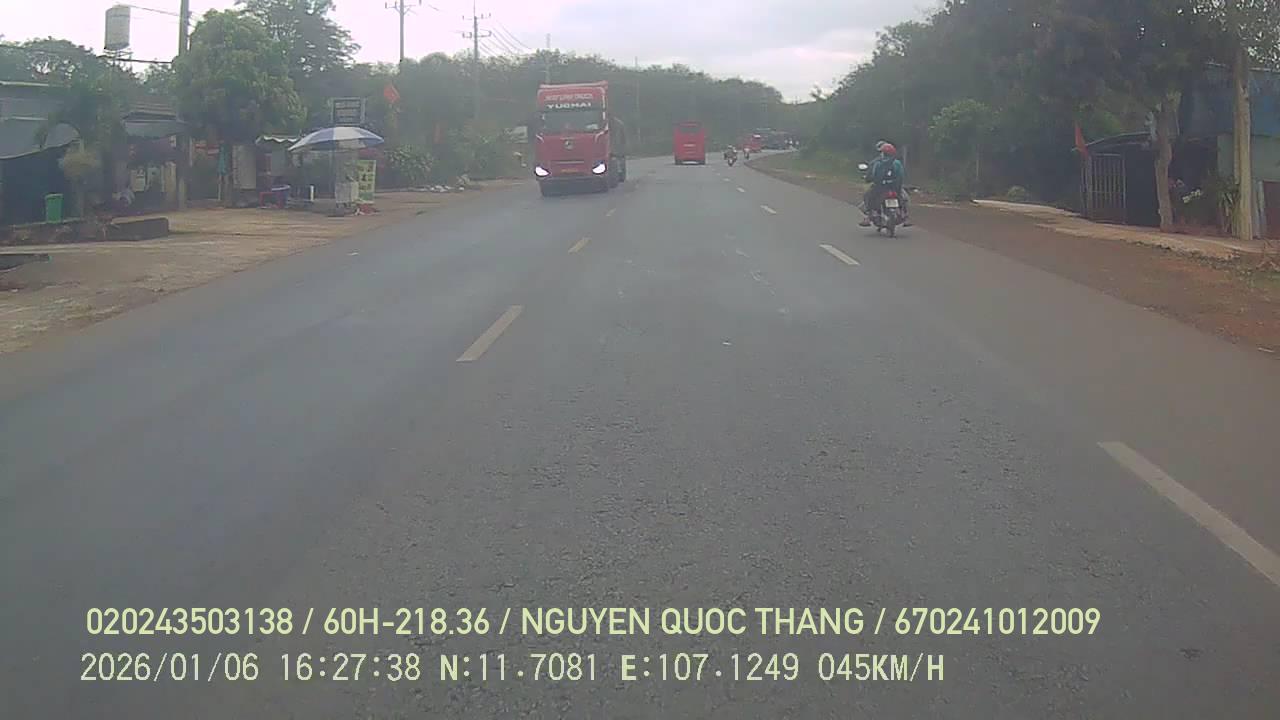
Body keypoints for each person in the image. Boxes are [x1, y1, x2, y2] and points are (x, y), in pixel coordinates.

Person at [860, 142, 910, 227]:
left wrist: (869, 179)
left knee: (868, 196)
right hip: (895, 188)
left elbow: (874, 175)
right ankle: (904, 215)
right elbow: (901, 175)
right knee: (904, 198)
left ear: (882, 153)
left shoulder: (877, 163)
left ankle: (869, 216)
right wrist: (897, 185)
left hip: (880, 188)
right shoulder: (897, 163)